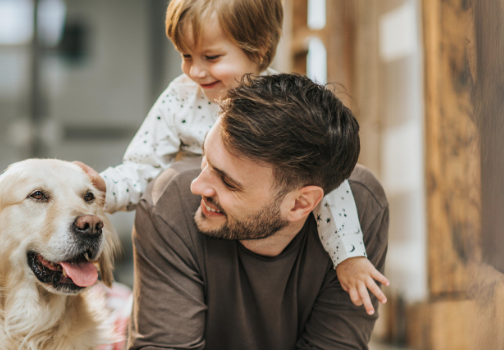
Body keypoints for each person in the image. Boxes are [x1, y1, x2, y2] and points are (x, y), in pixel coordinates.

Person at [75, 0, 388, 315]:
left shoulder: (283, 107)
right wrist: (106, 187)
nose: (195, 71)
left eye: (211, 57)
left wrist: (348, 256)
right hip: (205, 241)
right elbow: (143, 165)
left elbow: (327, 183)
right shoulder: (181, 98)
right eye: (185, 55)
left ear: (258, 48)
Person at [128, 74, 387, 349]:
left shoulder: (360, 209)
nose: (197, 186)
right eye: (205, 159)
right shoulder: (170, 204)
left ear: (300, 203)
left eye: (228, 182)